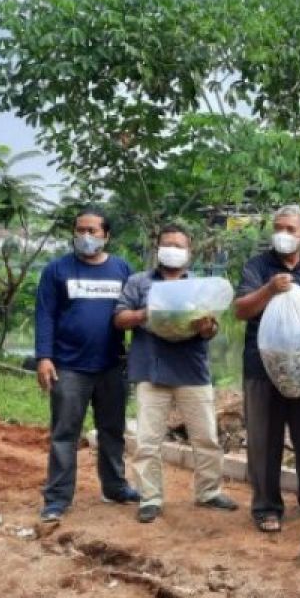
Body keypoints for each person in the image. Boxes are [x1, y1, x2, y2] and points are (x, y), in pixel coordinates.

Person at [113, 224, 237, 524]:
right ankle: (150, 498)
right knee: (147, 440)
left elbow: (212, 329)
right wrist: (148, 313)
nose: (173, 249)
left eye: (179, 245)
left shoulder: (200, 286)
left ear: (189, 252)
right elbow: (119, 319)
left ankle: (209, 492)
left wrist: (207, 328)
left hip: (192, 370)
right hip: (150, 371)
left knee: (206, 437)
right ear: (157, 248)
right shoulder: (139, 283)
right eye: (168, 244)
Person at [234, 205, 300, 533]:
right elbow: (240, 310)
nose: (284, 234)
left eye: (291, 229)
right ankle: (266, 506)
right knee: (264, 438)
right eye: (278, 227)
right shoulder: (257, 266)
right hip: (263, 366)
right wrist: (269, 289)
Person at [34, 207, 139, 523]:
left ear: (106, 235)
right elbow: (45, 315)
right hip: (68, 367)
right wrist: (44, 357)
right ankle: (57, 498)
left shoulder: (122, 269)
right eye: (80, 230)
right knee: (65, 433)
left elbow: (135, 312)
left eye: (93, 231)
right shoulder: (57, 270)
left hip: (111, 366)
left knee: (112, 431)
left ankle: (115, 487)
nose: (85, 236)